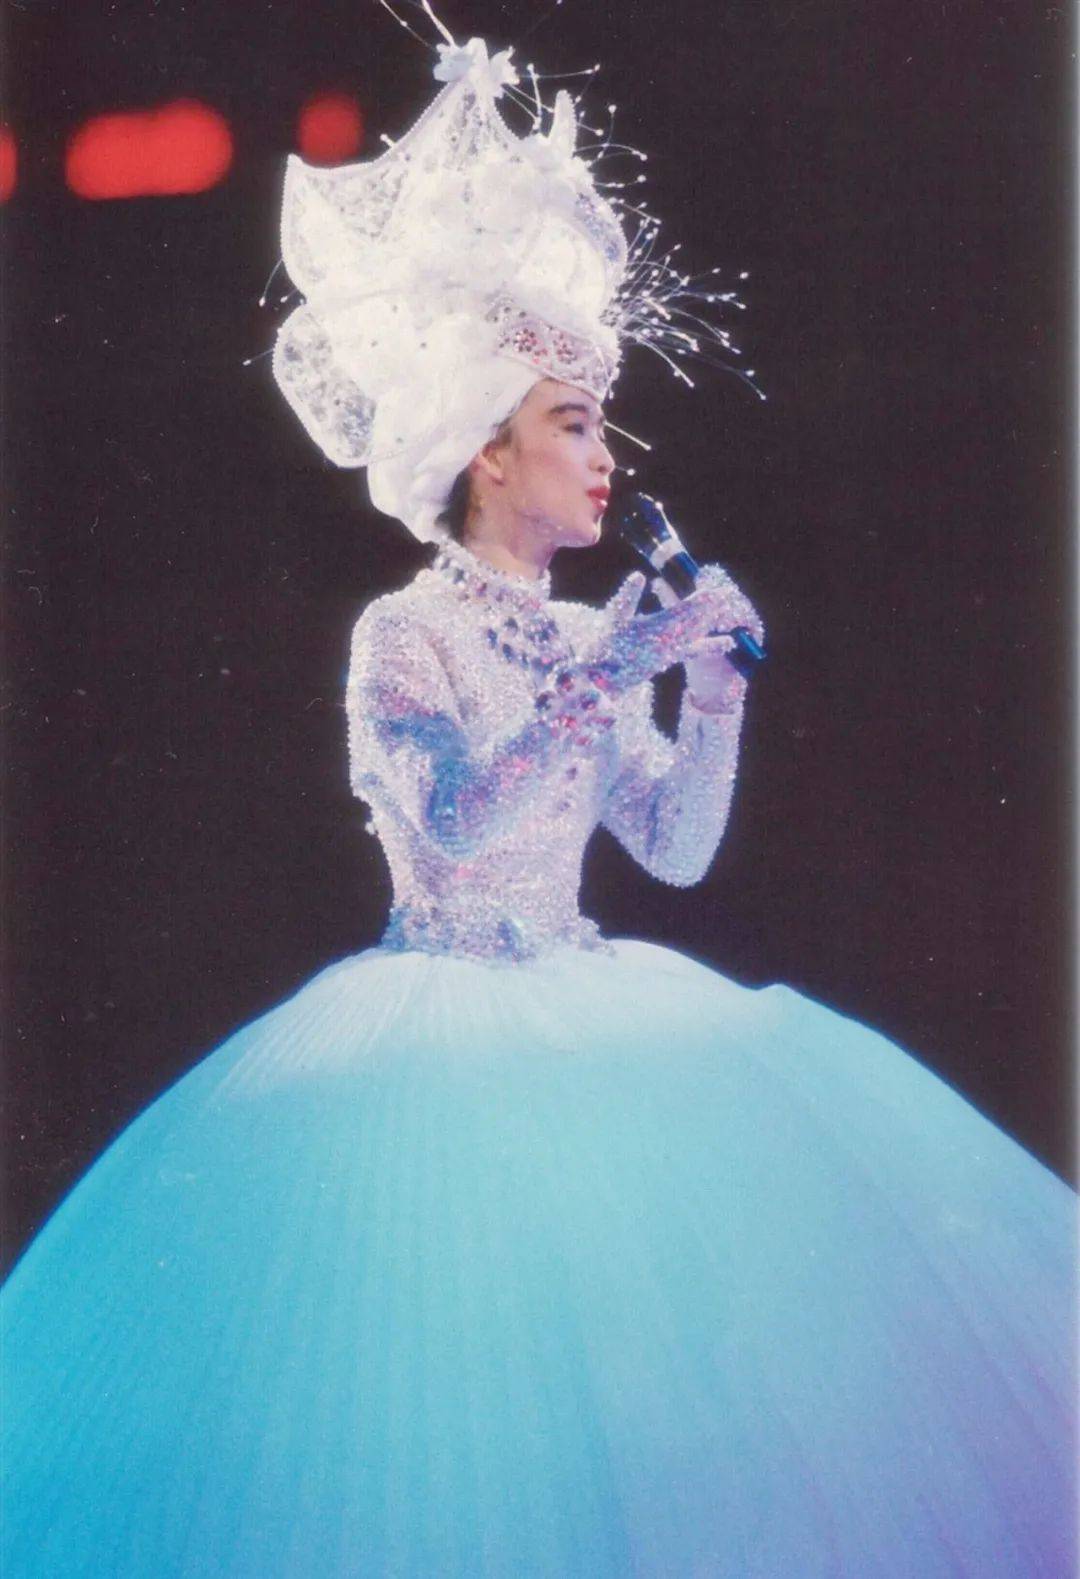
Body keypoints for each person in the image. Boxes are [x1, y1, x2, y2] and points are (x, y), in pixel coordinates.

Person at [2, 28, 1075, 1579]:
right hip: (432, 1039)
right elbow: (446, 826)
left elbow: (674, 849)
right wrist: (608, 669)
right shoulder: (404, 634)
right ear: (488, 452)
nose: (605, 457)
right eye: (574, 422)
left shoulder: (588, 631)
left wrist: (708, 693)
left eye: (599, 423)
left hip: (596, 996)